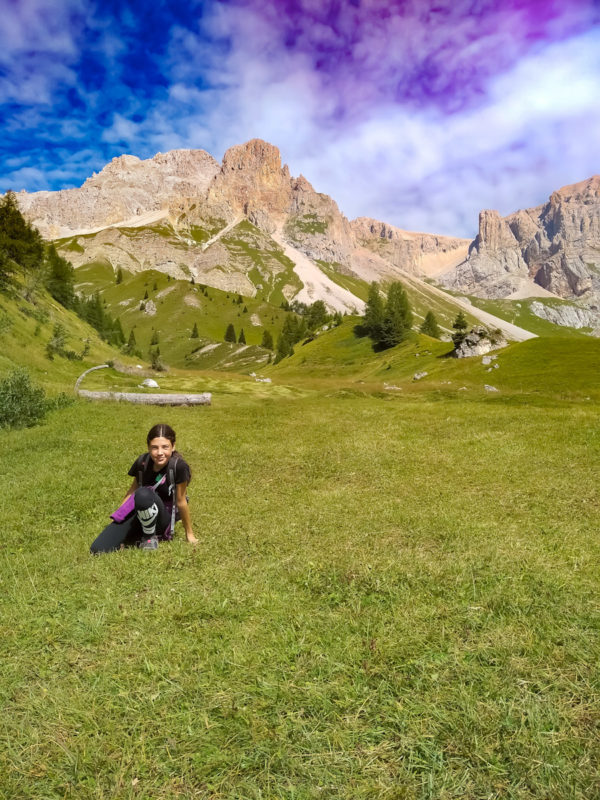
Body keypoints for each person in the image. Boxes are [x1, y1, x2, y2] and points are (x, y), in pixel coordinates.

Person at [90, 423, 198, 553]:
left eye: (165, 447)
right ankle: (136, 535)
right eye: (154, 447)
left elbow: (181, 501)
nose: (159, 453)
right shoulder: (142, 462)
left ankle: (149, 538)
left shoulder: (178, 467)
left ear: (173, 446)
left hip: (162, 519)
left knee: (143, 494)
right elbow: (132, 491)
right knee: (98, 549)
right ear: (148, 447)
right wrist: (120, 516)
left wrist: (189, 534)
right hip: (141, 511)